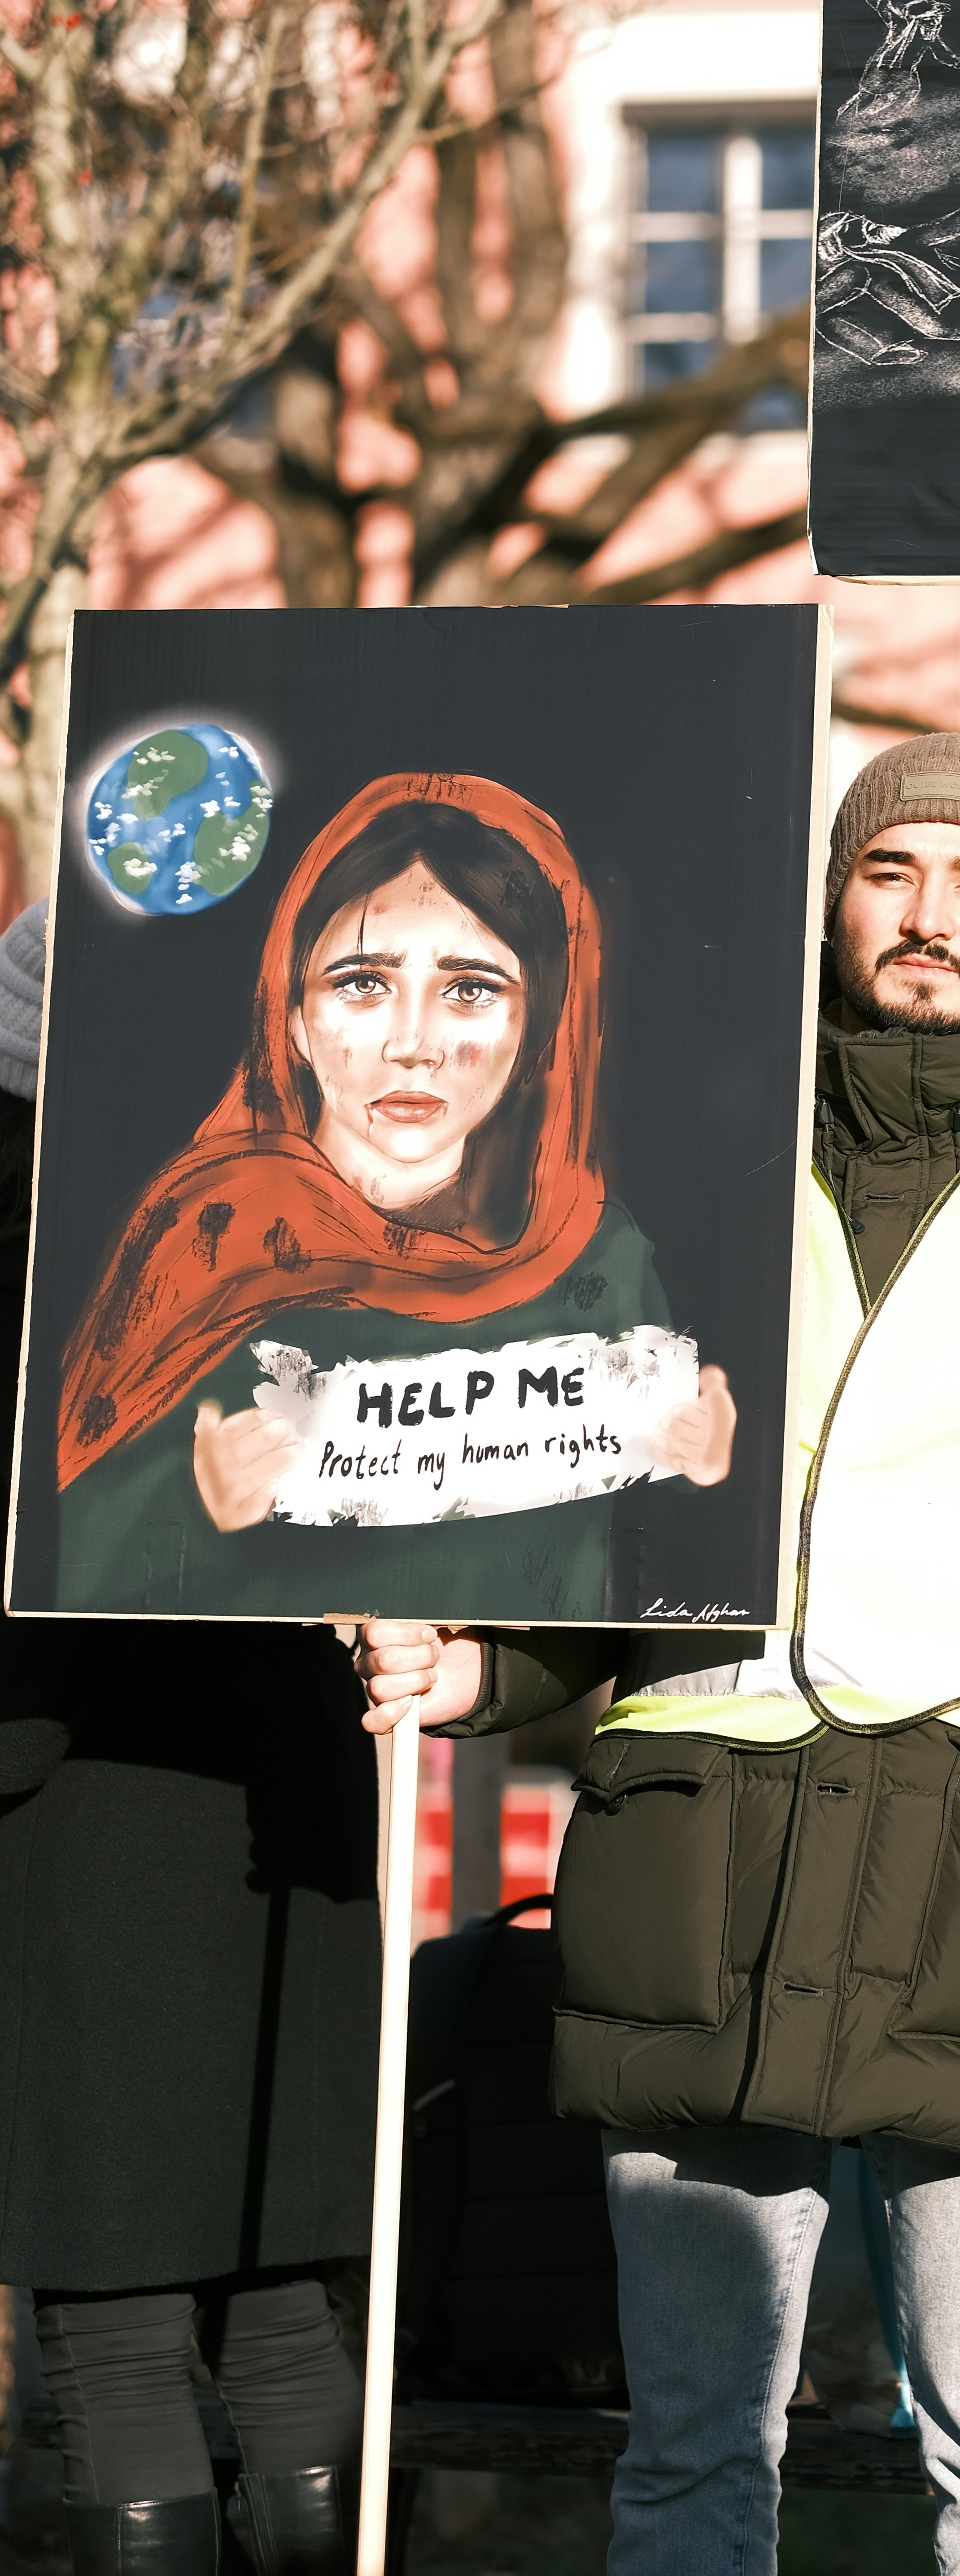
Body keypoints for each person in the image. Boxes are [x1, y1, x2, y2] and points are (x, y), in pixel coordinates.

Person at [356, 732, 960, 2574]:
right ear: (836, 901)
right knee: (691, 2459)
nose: (928, 918)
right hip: (697, 1870)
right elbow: (596, 1497)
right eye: (890, 872)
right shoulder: (672, 1178)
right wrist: (488, 1673)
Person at [0, 900, 376, 2576]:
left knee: (115, 2344)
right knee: (288, 2315)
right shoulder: (318, 1195)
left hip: (79, 1817)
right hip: (292, 1797)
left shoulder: (37, 1202)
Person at [55, 773, 733, 1620]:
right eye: (363, 984)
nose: (414, 1045)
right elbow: (63, 1562)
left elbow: (612, 1583)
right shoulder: (209, 1236)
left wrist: (702, 1473)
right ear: (293, 1016)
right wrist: (194, 1506)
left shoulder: (597, 1261)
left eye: (472, 989)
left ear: (539, 1031)